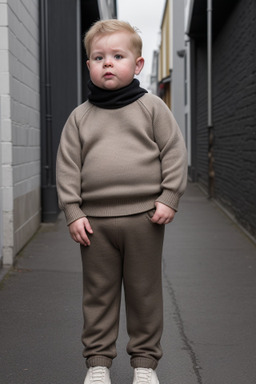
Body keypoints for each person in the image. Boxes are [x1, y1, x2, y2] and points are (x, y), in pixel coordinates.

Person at [56, 19, 187, 384]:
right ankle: (98, 363)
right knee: (98, 294)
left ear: (138, 65)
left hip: (146, 218)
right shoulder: (79, 118)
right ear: (89, 66)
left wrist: (169, 196)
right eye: (99, 57)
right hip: (94, 224)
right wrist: (72, 210)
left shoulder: (152, 108)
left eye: (117, 55)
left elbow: (174, 152)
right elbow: (67, 167)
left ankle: (144, 365)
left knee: (144, 293)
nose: (108, 63)